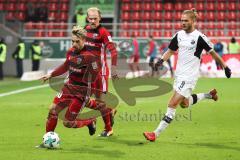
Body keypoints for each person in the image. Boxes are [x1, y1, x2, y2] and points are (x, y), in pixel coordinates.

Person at [143, 8, 232, 142]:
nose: (182, 23)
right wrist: (160, 61)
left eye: (185, 21)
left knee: (172, 103)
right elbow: (171, 51)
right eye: (181, 20)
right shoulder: (179, 35)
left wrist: (225, 67)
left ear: (193, 21)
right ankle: (209, 95)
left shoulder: (199, 37)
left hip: (190, 76)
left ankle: (155, 133)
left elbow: (213, 54)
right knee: (184, 104)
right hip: (179, 75)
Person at [37, 26, 103, 148]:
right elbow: (66, 65)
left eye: (77, 41)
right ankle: (47, 140)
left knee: (68, 123)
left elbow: (97, 76)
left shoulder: (90, 57)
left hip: (82, 91)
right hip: (68, 87)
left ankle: (90, 121)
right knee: (52, 110)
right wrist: (51, 74)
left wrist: (98, 95)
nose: (74, 44)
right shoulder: (71, 52)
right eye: (72, 41)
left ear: (84, 40)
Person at [84, 7, 118, 137]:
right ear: (87, 18)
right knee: (83, 99)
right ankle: (110, 111)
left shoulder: (104, 32)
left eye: (95, 18)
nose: (92, 21)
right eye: (90, 18)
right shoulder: (84, 30)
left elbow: (113, 51)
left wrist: (114, 69)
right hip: (88, 72)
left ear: (100, 18)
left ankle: (108, 129)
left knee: (100, 102)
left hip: (100, 73)